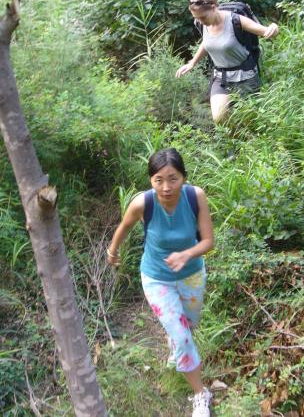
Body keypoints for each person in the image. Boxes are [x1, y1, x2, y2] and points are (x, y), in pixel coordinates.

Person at [107, 148, 214, 417]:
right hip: (156, 278)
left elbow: (208, 242)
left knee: (188, 324)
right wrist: (113, 251)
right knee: (182, 336)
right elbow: (124, 227)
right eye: (158, 180)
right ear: (151, 180)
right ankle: (201, 394)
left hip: (191, 273)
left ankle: (175, 343)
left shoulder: (195, 197)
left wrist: (186, 254)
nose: (166, 187)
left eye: (173, 178)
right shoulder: (143, 203)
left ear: (184, 177)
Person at [175, 0, 279, 123]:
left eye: (202, 17)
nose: (200, 21)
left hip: (245, 77)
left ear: (213, 7)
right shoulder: (203, 24)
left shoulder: (236, 20)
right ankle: (233, 141)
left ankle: (246, 141)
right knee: (219, 119)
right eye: (197, 18)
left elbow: (266, 32)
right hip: (221, 77)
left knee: (251, 120)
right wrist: (192, 63)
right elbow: (207, 42)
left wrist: (274, 28)